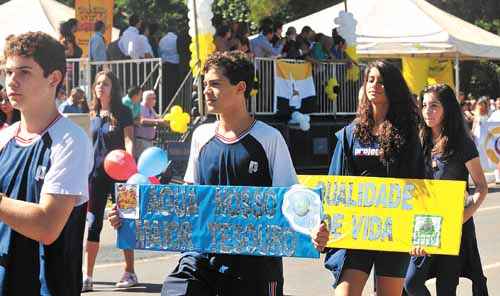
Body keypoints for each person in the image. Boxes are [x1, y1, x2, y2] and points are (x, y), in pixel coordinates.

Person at [109, 51, 298, 296]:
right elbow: (189, 201)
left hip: (255, 262)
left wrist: (314, 229)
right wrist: (129, 216)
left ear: (240, 88)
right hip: (202, 255)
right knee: (175, 290)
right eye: (205, 84)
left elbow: (291, 201)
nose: (206, 91)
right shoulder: (201, 135)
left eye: (215, 84)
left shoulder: (269, 138)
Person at [313, 60, 425, 296]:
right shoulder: (350, 133)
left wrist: (422, 234)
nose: (374, 85)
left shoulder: (408, 133)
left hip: (395, 229)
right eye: (370, 80)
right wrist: (323, 224)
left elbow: (421, 187)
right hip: (357, 231)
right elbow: (334, 185)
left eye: (381, 81)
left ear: (393, 87)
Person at [0, 31, 93, 295]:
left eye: (24, 72)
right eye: (8, 72)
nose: (12, 81)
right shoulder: (5, 137)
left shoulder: (70, 140)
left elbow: (47, 226)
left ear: (53, 78)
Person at [404, 84, 488, 295]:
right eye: (424, 105)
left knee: (446, 289)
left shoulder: (462, 143)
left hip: (454, 228)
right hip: (424, 225)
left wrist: (463, 216)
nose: (427, 111)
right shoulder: (418, 141)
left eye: (434, 105)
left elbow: (481, 186)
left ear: (447, 108)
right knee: (411, 282)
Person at [83, 70, 137, 292]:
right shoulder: (91, 112)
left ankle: (130, 272)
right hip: (95, 176)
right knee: (93, 223)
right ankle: (87, 276)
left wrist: (129, 164)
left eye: (105, 84)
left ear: (113, 88)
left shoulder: (123, 111)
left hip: (120, 175)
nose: (100, 87)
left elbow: (129, 140)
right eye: (98, 83)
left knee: (125, 221)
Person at [134, 90, 167, 157]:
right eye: (154, 98)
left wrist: (167, 119)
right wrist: (158, 122)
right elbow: (142, 121)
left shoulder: (150, 108)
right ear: (148, 99)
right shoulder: (140, 107)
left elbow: (158, 117)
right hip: (141, 141)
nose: (155, 100)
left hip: (149, 141)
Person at [159, 23, 181, 107]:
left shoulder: (162, 39)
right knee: (174, 87)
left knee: (166, 88)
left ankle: (166, 105)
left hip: (164, 65)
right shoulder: (176, 38)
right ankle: (173, 105)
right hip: (174, 64)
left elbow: (160, 51)